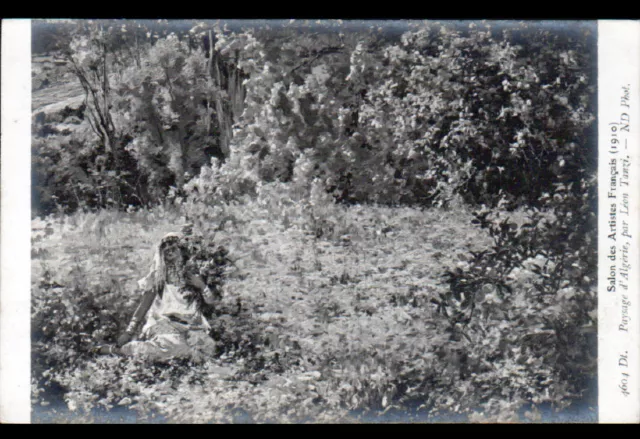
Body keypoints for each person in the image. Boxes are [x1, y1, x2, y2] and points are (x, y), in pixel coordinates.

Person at [97, 231, 218, 363]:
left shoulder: (193, 274)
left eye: (173, 249)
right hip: (165, 322)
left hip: (191, 324)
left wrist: (202, 286)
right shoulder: (158, 277)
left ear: (182, 250)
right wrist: (129, 332)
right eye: (166, 251)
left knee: (207, 349)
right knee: (176, 348)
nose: (170, 253)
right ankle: (122, 351)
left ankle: (180, 355)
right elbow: (144, 305)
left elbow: (210, 301)